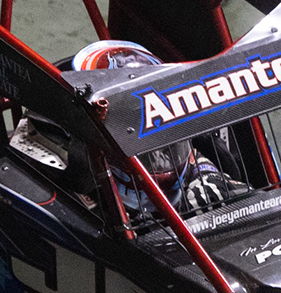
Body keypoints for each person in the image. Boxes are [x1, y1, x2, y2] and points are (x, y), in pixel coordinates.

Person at [71, 40, 251, 217]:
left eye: (164, 133)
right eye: (142, 134)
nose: (158, 153)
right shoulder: (85, 197)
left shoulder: (209, 183)